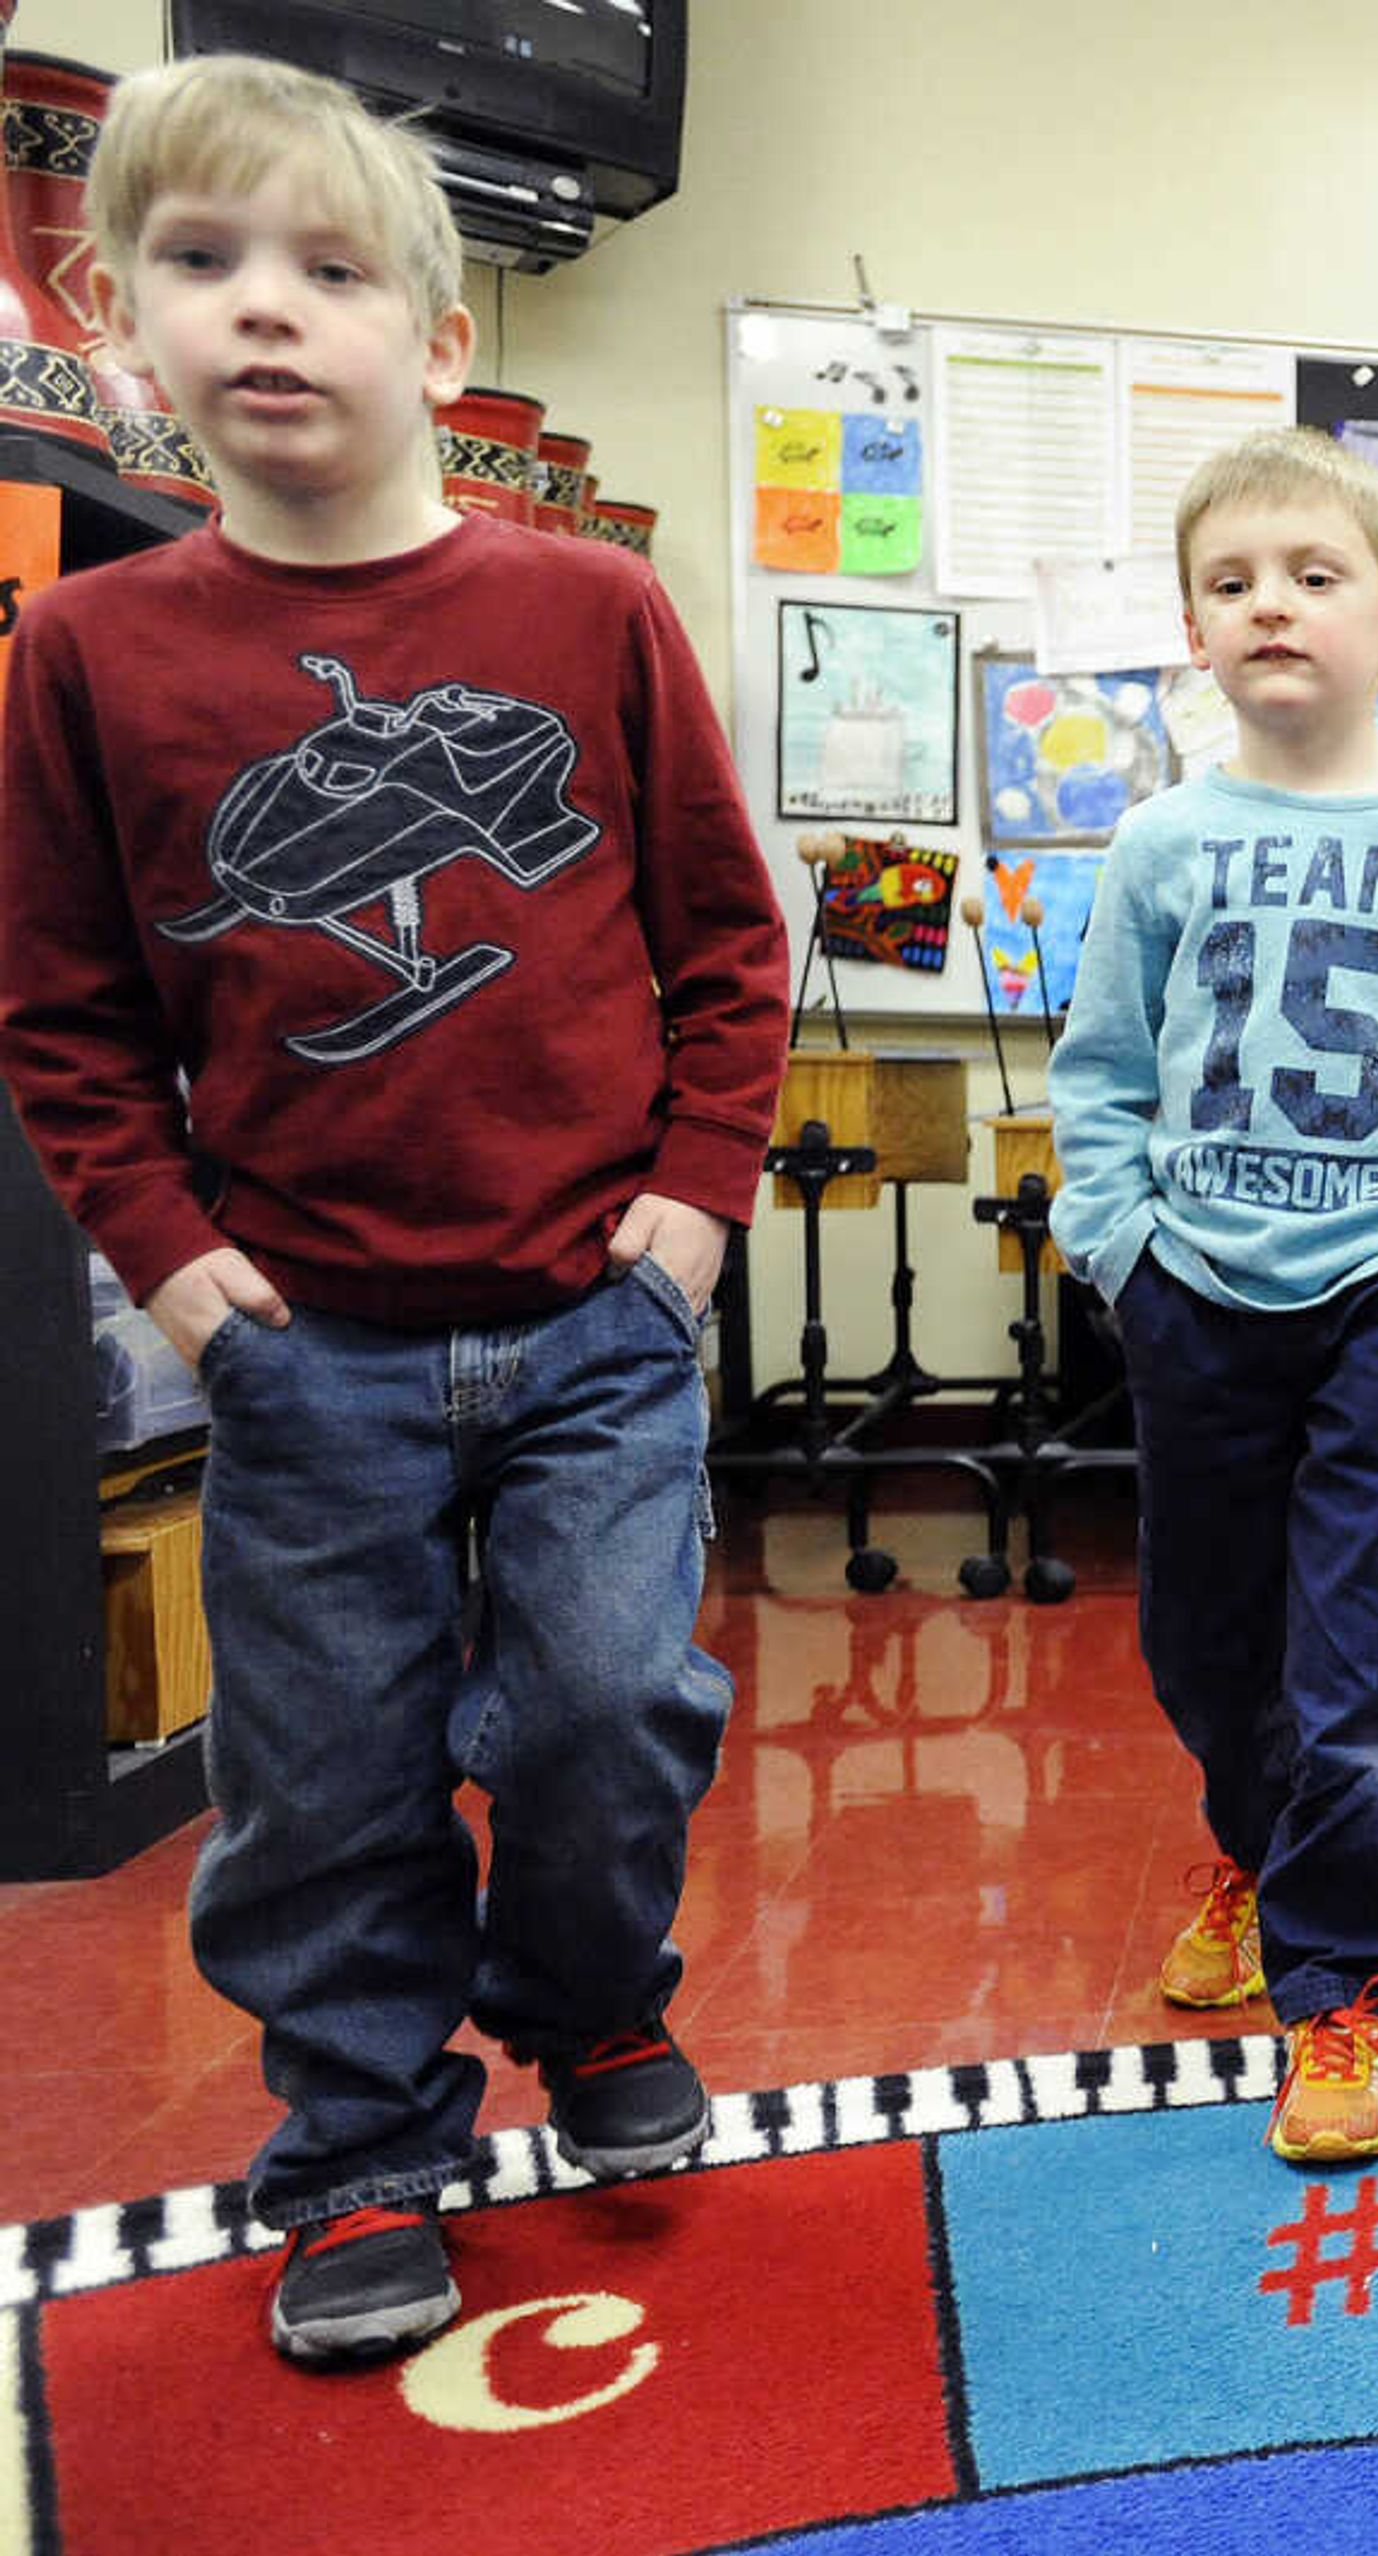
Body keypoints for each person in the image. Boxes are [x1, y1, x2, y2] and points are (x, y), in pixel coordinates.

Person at [0, 56, 790, 2363]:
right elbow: (60, 1010)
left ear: (437, 341)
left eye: (331, 270)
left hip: (595, 1316)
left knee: (610, 1703)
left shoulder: (589, 613)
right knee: (322, 1777)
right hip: (303, 1342)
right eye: (201, 263)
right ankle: (359, 2148)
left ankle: (589, 1994)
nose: (267, 314)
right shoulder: (87, 656)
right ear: (111, 309)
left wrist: (693, 1212)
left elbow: (728, 946)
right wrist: (181, 1268)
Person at [1046, 427, 1378, 2169]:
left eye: (1314, 574)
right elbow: (1103, 1066)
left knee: (1365, 1662)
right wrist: (1118, 1251)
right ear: (1193, 631)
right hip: (1198, 1297)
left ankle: (1340, 1990)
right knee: (1204, 1644)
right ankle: (1254, 1847)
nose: (1271, 604)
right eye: (1231, 582)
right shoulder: (1158, 844)